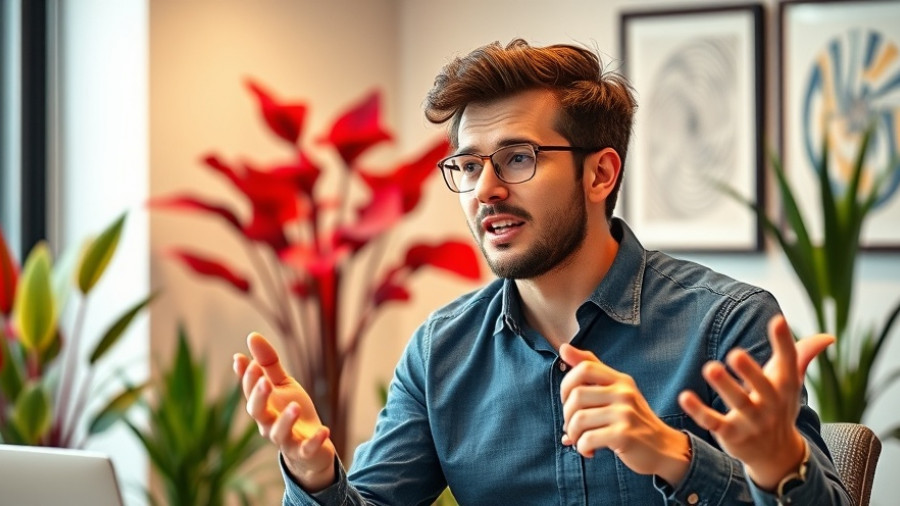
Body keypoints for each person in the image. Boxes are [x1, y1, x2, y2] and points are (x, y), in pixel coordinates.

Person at [233, 39, 851, 505]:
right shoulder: (441, 352)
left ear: (600, 174)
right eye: (468, 166)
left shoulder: (726, 324)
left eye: (518, 158)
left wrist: (684, 456)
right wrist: (313, 472)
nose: (485, 190)